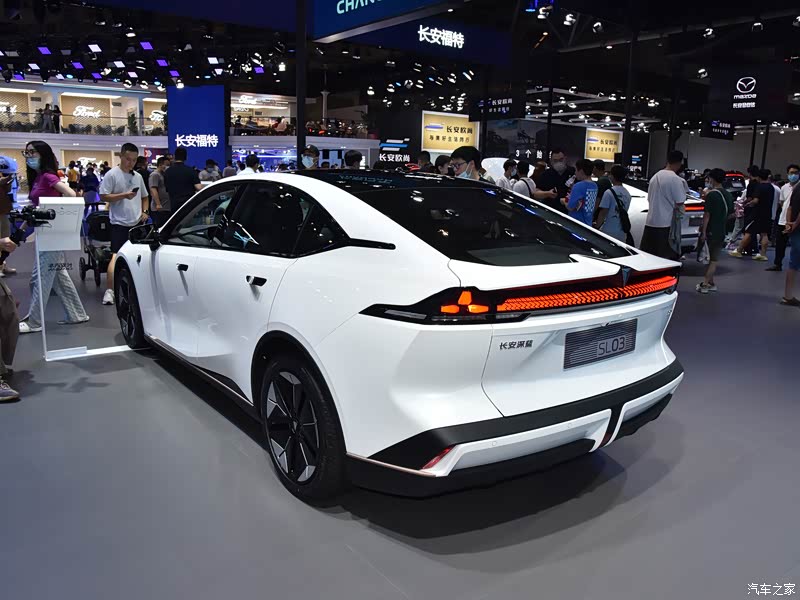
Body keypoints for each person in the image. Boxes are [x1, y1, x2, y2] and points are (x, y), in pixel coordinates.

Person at [19, 140, 89, 333]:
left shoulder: (48, 176)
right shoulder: (39, 177)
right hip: (46, 234)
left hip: (52, 235)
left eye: (32, 152)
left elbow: (71, 195)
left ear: (43, 154)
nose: (29, 156)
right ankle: (77, 314)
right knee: (58, 275)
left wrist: (57, 217)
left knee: (40, 277)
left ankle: (34, 322)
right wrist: (26, 228)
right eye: (27, 152)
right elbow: (35, 208)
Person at [99, 142, 150, 306]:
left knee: (140, 257)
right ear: (121, 156)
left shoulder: (138, 176)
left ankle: (141, 289)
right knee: (116, 255)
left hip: (136, 223)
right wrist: (123, 195)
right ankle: (110, 291)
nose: (131, 163)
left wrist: (145, 211)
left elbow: (145, 196)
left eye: (134, 160)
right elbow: (103, 196)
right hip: (119, 224)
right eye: (128, 159)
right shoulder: (112, 175)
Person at [641, 151, 687, 259]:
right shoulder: (675, 179)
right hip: (665, 225)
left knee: (649, 257)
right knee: (664, 258)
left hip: (650, 223)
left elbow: (649, 198)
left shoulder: (655, 177)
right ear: (680, 163)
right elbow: (680, 201)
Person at [696, 169, 734, 294]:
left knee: (711, 259)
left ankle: (705, 284)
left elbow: (707, 215)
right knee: (713, 256)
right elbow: (731, 214)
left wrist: (703, 231)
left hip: (711, 230)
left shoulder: (711, 195)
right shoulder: (728, 195)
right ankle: (711, 283)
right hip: (721, 230)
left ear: (712, 179)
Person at [730, 167, 773, 261]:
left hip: (757, 213)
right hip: (767, 213)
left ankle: (739, 250)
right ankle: (763, 254)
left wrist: (747, 204)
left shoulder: (759, 187)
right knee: (764, 234)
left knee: (749, 232)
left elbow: (755, 200)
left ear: (759, 177)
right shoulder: (771, 187)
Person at [768, 164, 800, 272]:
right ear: (787, 174)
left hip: (796, 221)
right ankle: (777, 264)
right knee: (780, 244)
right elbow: (782, 203)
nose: (793, 175)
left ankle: (795, 266)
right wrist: (786, 218)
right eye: (791, 173)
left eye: (796, 173)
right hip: (783, 220)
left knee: (796, 245)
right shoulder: (784, 187)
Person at [595, 165, 632, 242]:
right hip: (622, 232)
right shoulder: (627, 194)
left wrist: (597, 226)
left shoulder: (609, 193)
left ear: (612, 176)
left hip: (608, 230)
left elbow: (603, 213)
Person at [164, 146, 202, 212]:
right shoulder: (191, 171)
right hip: (188, 204)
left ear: (174, 157)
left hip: (173, 204)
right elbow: (198, 187)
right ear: (185, 157)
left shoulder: (168, 171)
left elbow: (167, 188)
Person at [780, 184, 800, 306]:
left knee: (793, 263)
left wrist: (788, 224)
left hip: (795, 230)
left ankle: (788, 296)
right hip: (798, 228)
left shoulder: (797, 187)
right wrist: (795, 224)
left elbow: (790, 207)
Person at [565, 159, 598, 226]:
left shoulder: (578, 186)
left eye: (576, 170)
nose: (575, 173)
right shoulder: (595, 186)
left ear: (581, 171)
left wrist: (563, 201)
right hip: (588, 222)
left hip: (576, 224)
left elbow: (570, 207)